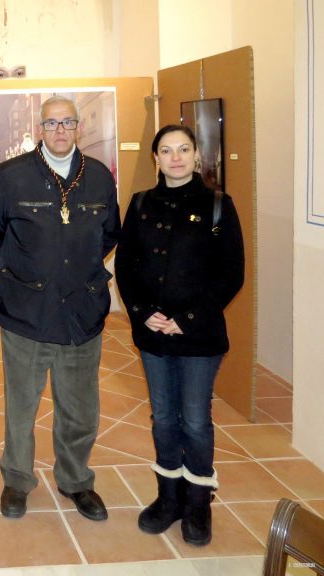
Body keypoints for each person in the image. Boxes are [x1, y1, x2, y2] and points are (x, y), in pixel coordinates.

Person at [0, 95, 120, 522]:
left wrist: (77, 273)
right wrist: (23, 274)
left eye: (67, 123)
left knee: (80, 408)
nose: (59, 131)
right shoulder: (10, 176)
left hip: (81, 312)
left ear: (77, 128)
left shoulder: (97, 177)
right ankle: (17, 481)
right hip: (25, 313)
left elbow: (108, 234)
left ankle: (76, 480)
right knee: (21, 406)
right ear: (40, 128)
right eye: (51, 123)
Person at [115, 124, 244, 546]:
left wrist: (186, 317)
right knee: (163, 417)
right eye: (167, 150)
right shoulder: (140, 204)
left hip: (199, 335)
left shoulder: (219, 206)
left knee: (195, 419)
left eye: (183, 149)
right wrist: (143, 313)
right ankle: (167, 498)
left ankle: (198, 504)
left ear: (196, 155)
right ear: (156, 158)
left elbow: (231, 274)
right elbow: (126, 267)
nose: (175, 157)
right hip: (153, 333)